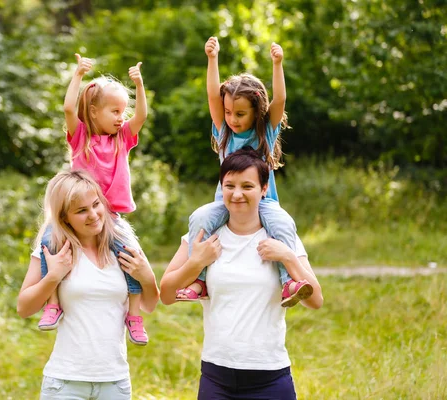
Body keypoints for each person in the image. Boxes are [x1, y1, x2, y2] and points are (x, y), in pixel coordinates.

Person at [160, 148, 323, 399]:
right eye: (229, 185)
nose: (237, 194)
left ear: (264, 189)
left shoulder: (280, 238)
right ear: (221, 188)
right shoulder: (203, 238)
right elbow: (167, 294)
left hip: (270, 376)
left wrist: (288, 257)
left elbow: (315, 301)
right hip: (217, 377)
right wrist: (197, 262)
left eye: (247, 186)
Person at [176, 36, 312, 307]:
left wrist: (277, 64)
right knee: (199, 218)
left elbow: (281, 98)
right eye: (228, 112)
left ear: (256, 111)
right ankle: (199, 280)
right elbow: (213, 95)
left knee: (283, 224)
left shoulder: (265, 134)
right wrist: (212, 60)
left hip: (264, 202)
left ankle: (289, 283)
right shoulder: (224, 133)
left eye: (240, 114)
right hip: (224, 202)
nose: (232, 119)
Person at [37, 53, 151, 345]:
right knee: (49, 243)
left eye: (122, 111)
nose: (121, 117)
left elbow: (141, 117)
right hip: (71, 214)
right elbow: (66, 107)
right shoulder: (80, 137)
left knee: (132, 254)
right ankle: (53, 303)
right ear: (94, 111)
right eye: (114, 111)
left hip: (110, 217)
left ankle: (134, 316)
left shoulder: (123, 138)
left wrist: (138, 85)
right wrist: (78, 75)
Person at [18, 170, 160, 400]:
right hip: (65, 383)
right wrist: (53, 276)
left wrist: (147, 276)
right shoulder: (54, 250)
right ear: (65, 218)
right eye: (81, 211)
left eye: (96, 204)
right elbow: (24, 307)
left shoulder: (122, 249)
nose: (93, 215)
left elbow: (150, 304)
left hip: (115, 383)